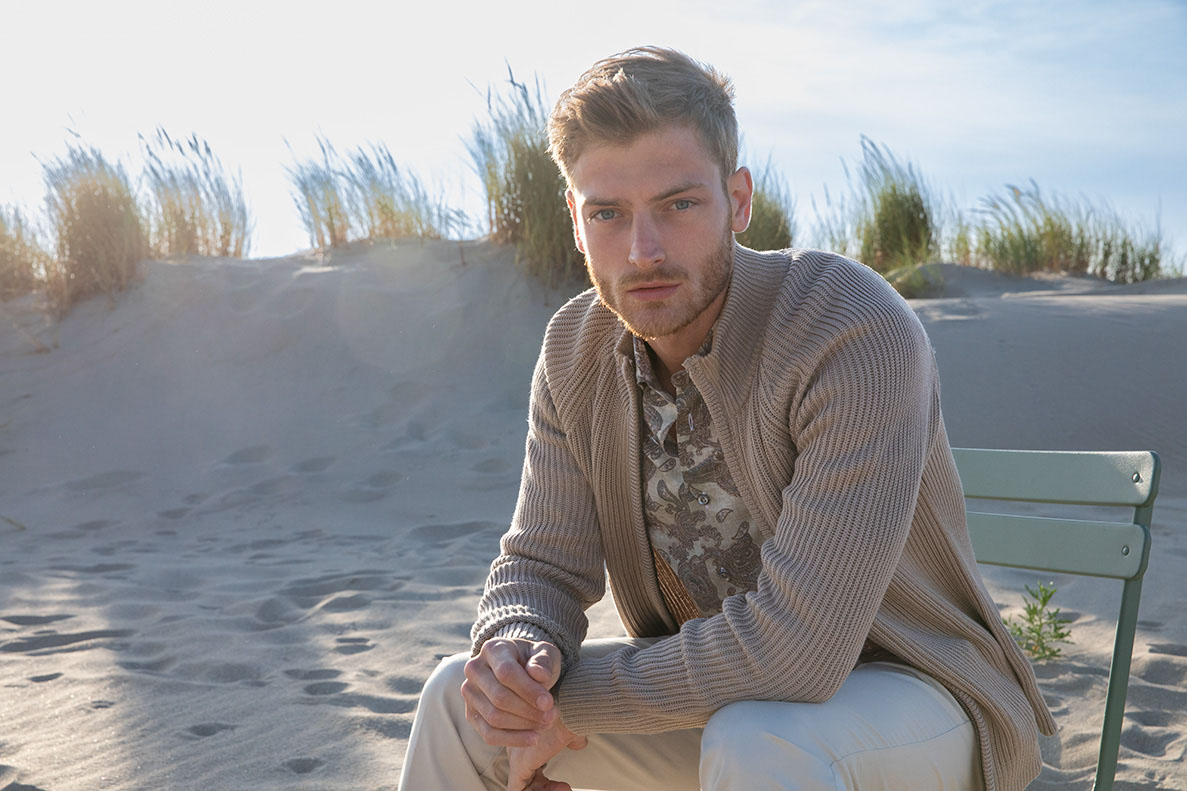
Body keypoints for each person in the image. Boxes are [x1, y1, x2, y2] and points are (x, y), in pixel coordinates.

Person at [398, 46, 1054, 791]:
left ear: (737, 200)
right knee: (458, 700)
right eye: (607, 213)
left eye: (679, 204)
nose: (643, 251)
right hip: (716, 708)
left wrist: (563, 700)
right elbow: (541, 563)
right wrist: (517, 659)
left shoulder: (845, 325)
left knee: (759, 738)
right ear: (575, 226)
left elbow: (795, 651)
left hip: (922, 696)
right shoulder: (574, 348)